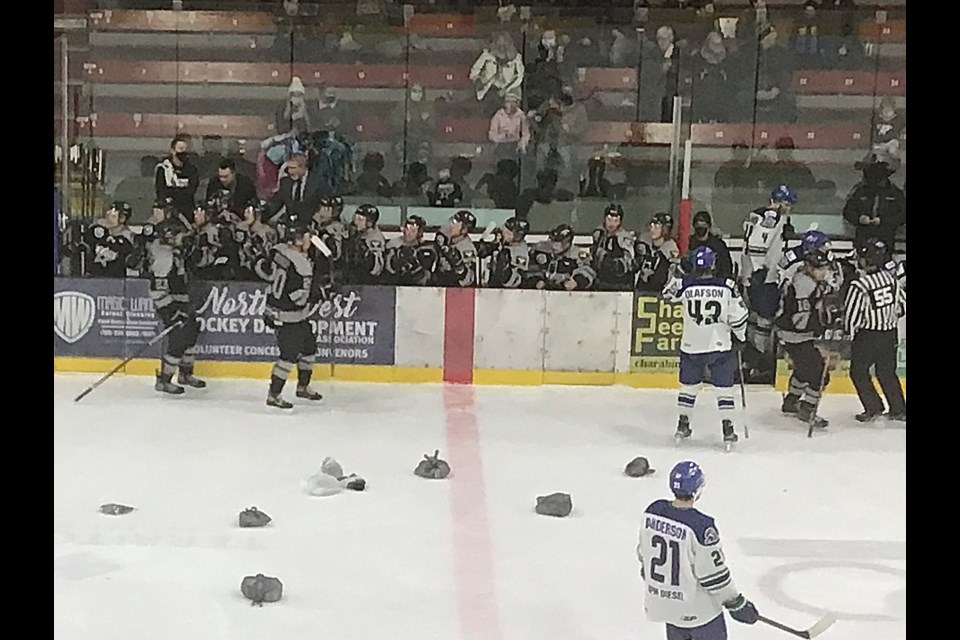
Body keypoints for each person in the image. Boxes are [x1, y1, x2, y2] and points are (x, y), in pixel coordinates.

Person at [637, 460, 760, 639]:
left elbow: (643, 554)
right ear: (698, 488)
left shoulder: (653, 511)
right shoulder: (701, 526)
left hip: (666, 608)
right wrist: (736, 602)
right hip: (700, 614)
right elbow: (712, 575)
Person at [663, 247, 748, 448]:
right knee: (723, 388)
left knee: (688, 387)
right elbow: (739, 316)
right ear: (713, 264)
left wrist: (677, 273)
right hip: (719, 345)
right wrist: (741, 337)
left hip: (691, 345)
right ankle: (728, 429)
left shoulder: (685, 285)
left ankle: (683, 425)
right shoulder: (727, 286)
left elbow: (667, 293)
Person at [258, 220, 329, 409]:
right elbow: (299, 297)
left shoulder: (278, 251)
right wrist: (318, 293)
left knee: (309, 348)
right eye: (307, 236)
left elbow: (261, 269)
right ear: (298, 239)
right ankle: (274, 395)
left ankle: (303, 387)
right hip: (288, 315)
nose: (311, 239)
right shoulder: (301, 263)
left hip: (279, 310)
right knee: (288, 356)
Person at [844, 238, 906, 422]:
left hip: (868, 336)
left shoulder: (860, 285)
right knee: (887, 372)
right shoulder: (892, 279)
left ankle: (873, 407)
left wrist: (847, 332)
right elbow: (902, 306)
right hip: (889, 333)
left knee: (858, 371)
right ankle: (898, 409)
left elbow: (852, 316)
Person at [740, 185, 796, 383]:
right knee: (763, 322)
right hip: (763, 279)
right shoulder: (771, 217)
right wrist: (760, 271)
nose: (788, 208)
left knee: (754, 320)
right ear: (776, 201)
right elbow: (756, 247)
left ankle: (749, 362)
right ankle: (755, 364)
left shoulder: (756, 214)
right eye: (786, 203)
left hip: (752, 277)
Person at [775, 250, 836, 430]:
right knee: (819, 375)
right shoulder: (804, 285)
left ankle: (791, 401)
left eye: (824, 267)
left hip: (792, 335)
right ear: (809, 267)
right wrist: (823, 322)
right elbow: (800, 321)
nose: (823, 272)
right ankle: (808, 408)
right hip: (796, 337)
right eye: (819, 268)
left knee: (803, 369)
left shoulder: (805, 280)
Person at [146, 218, 205, 395]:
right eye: (179, 235)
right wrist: (172, 312)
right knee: (178, 339)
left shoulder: (171, 250)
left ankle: (185, 374)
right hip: (171, 305)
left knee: (192, 330)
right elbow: (157, 291)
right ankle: (164, 380)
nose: (183, 238)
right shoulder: (163, 258)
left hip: (181, 301)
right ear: (169, 236)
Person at [842, 157, 906, 250]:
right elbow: (848, 211)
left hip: (885, 239)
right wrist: (859, 218)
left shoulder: (895, 193)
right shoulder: (860, 191)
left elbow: (902, 215)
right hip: (863, 239)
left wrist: (883, 221)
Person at [528, 224, 596, 291]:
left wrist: (576, 281)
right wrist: (536, 280)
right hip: (542, 293)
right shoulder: (541, 249)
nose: (555, 246)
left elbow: (589, 271)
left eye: (561, 242)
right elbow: (530, 269)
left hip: (568, 294)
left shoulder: (578, 254)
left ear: (569, 242)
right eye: (554, 241)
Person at [590, 203, 639, 292]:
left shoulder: (625, 238)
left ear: (620, 222)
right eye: (609, 219)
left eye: (616, 220)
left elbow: (630, 263)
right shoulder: (598, 235)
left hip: (620, 284)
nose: (612, 224)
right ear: (604, 219)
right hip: (600, 283)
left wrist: (613, 263)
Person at [154, 134, 199, 224]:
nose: (184, 152)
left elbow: (191, 191)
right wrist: (180, 191)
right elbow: (161, 191)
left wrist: (172, 191)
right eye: (181, 149)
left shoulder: (192, 170)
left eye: (186, 150)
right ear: (173, 150)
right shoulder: (163, 168)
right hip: (168, 212)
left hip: (187, 212)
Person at [476, 217, 531, 289]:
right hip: (490, 288)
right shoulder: (502, 243)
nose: (504, 234)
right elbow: (481, 252)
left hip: (509, 293)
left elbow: (516, 280)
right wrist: (486, 245)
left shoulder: (520, 250)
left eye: (509, 233)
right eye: (505, 231)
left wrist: (505, 271)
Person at [85, 201, 137, 278]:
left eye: (113, 216)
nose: (108, 218)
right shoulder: (98, 233)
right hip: (94, 279)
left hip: (116, 281)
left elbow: (132, 262)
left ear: (122, 218)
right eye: (108, 214)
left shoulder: (129, 238)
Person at [385, 215, 438, 286]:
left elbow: (429, 269)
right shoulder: (393, 243)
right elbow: (388, 268)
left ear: (420, 232)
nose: (409, 233)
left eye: (413, 230)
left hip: (417, 282)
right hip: (396, 279)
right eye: (407, 229)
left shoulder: (426, 247)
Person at [310, 196, 350, 287]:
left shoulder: (334, 229)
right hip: (320, 272)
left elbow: (335, 254)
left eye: (327, 209)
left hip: (331, 275)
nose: (322, 212)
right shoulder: (318, 225)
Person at [636, 212, 680, 295]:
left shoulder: (671, 248)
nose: (652, 230)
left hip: (660, 293)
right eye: (651, 226)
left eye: (656, 227)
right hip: (640, 290)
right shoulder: (644, 241)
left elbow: (670, 275)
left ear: (665, 229)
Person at [434, 210, 480, 288]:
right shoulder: (448, 239)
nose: (451, 225)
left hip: (456, 291)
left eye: (455, 222)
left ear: (464, 229)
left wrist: (458, 265)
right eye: (452, 220)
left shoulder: (467, 249)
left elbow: (468, 280)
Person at [344, 204, 387, 285]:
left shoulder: (374, 238)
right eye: (355, 218)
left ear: (370, 222)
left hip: (368, 283)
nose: (356, 222)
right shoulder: (358, 234)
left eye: (360, 219)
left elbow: (376, 268)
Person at [687, 211, 733, 280]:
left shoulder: (718, 245)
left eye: (703, 226)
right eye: (698, 227)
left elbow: (726, 268)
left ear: (709, 227)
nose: (700, 230)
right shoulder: (689, 243)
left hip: (715, 281)